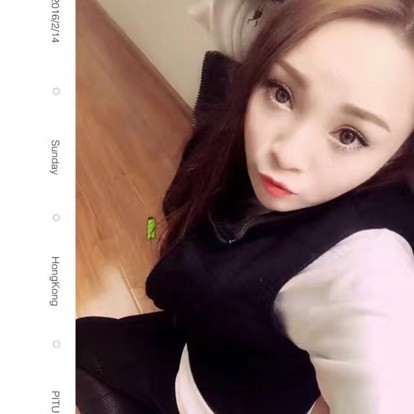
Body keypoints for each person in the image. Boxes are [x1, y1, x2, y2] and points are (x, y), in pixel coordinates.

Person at [76, 0, 414, 413]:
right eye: (282, 93)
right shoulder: (256, 66)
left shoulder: (368, 269)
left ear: (401, 151)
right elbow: (226, 14)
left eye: (349, 136)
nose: (287, 153)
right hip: (201, 345)